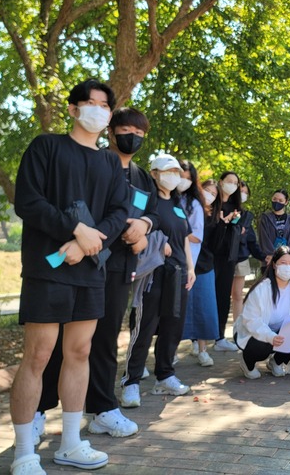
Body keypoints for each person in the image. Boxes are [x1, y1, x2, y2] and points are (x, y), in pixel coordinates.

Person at [10, 79, 129, 475]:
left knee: (79, 353)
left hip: (90, 271)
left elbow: (118, 213)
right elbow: (28, 201)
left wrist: (87, 244)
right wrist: (75, 230)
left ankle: (71, 443)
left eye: (105, 106)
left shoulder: (110, 163)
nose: (98, 110)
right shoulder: (46, 147)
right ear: (74, 109)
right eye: (90, 103)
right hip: (48, 269)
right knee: (38, 355)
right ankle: (23, 453)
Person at [33, 107, 157, 442]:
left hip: (119, 269)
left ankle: (102, 408)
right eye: (126, 130)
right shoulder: (96, 162)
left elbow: (156, 211)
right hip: (84, 263)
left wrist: (145, 226)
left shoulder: (143, 176)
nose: (133, 137)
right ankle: (39, 409)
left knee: (104, 342)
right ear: (111, 131)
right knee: (60, 341)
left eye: (139, 133)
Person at [120, 154, 196, 406]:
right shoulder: (145, 201)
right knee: (144, 327)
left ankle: (165, 375)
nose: (173, 176)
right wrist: (157, 243)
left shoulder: (177, 204)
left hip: (179, 273)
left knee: (173, 326)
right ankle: (130, 381)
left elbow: (184, 238)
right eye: (167, 171)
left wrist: (191, 268)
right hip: (153, 273)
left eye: (176, 171)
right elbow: (130, 228)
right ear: (154, 173)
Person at [234, 246, 290, 379]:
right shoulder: (262, 289)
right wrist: (270, 337)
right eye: (283, 263)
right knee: (263, 346)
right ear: (274, 265)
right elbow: (251, 320)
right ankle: (247, 363)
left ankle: (276, 362)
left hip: (280, 333)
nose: (287, 267)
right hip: (253, 333)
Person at [180, 165, 219, 368]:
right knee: (178, 309)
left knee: (204, 308)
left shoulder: (212, 213)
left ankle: (203, 350)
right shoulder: (181, 202)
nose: (209, 195)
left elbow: (202, 238)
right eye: (207, 190)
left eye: (214, 194)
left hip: (203, 264)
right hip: (179, 261)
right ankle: (171, 351)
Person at [210, 171, 243, 352]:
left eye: (235, 183)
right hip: (209, 257)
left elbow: (237, 232)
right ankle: (195, 339)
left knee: (223, 297)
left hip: (228, 258)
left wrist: (235, 224)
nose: (232, 185)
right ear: (221, 182)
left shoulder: (236, 207)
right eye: (229, 181)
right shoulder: (211, 203)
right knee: (206, 296)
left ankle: (220, 337)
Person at [232, 181, 265, 322]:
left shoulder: (246, 216)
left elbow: (251, 241)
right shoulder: (221, 209)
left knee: (237, 295)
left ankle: (237, 327)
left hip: (241, 259)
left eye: (246, 193)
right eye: (241, 191)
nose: (243, 195)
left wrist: (263, 257)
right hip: (222, 259)